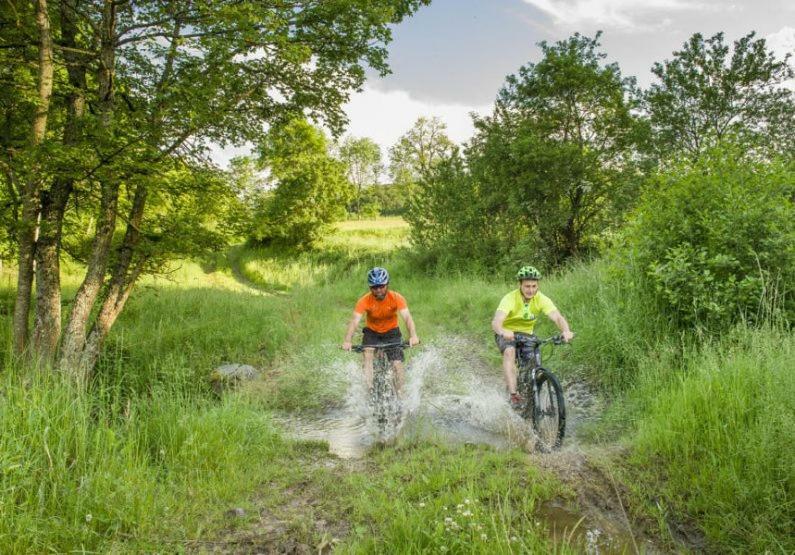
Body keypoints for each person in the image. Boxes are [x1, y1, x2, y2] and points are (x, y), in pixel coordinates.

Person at [491, 265, 574, 408]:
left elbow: (557, 317)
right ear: (520, 285)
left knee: (533, 368)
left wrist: (566, 331)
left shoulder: (541, 299)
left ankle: (530, 401)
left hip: (527, 335)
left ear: (538, 285)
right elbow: (496, 322)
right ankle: (513, 395)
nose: (531, 290)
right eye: (527, 286)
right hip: (507, 333)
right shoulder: (510, 298)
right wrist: (503, 331)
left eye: (534, 286)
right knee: (509, 352)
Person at [342, 267, 420, 395]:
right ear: (370, 287)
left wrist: (413, 335)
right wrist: (347, 340)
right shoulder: (364, 300)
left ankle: (400, 394)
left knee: (397, 364)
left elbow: (407, 318)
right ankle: (370, 391)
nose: (378, 290)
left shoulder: (396, 297)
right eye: (374, 287)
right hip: (372, 332)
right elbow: (355, 321)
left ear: (387, 284)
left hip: (392, 332)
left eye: (381, 286)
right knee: (368, 354)